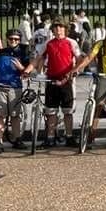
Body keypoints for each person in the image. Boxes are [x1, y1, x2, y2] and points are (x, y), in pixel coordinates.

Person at [23, 20, 82, 148]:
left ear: (65, 29)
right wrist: (27, 70)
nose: (58, 30)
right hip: (51, 80)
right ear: (53, 30)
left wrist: (75, 71)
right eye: (56, 27)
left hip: (67, 80)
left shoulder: (71, 42)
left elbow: (79, 59)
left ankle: (69, 137)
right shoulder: (48, 43)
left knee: (68, 111)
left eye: (61, 27)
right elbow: (38, 58)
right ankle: (50, 138)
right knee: (51, 111)